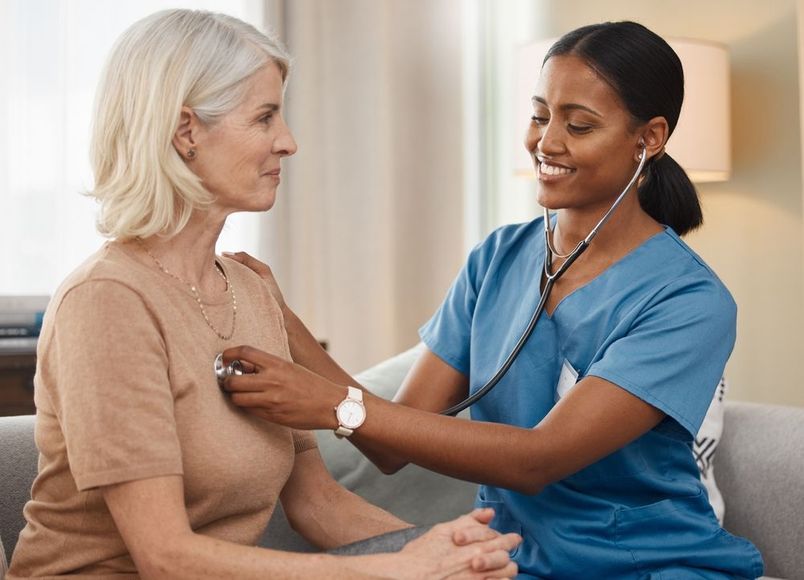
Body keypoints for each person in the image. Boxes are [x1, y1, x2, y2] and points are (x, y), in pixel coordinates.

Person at [220, 21, 766, 579]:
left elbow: (539, 460)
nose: (546, 142)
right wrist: (283, 321)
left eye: (578, 125)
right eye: (538, 115)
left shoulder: (688, 300)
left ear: (648, 138)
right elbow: (391, 441)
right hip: (513, 563)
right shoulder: (499, 258)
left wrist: (333, 405)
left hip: (649, 566)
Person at [7, 9, 522, 579]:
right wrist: (393, 571)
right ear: (186, 132)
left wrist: (448, 550)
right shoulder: (107, 301)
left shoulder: (249, 290)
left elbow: (317, 505)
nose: (289, 142)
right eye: (265, 117)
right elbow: (163, 556)